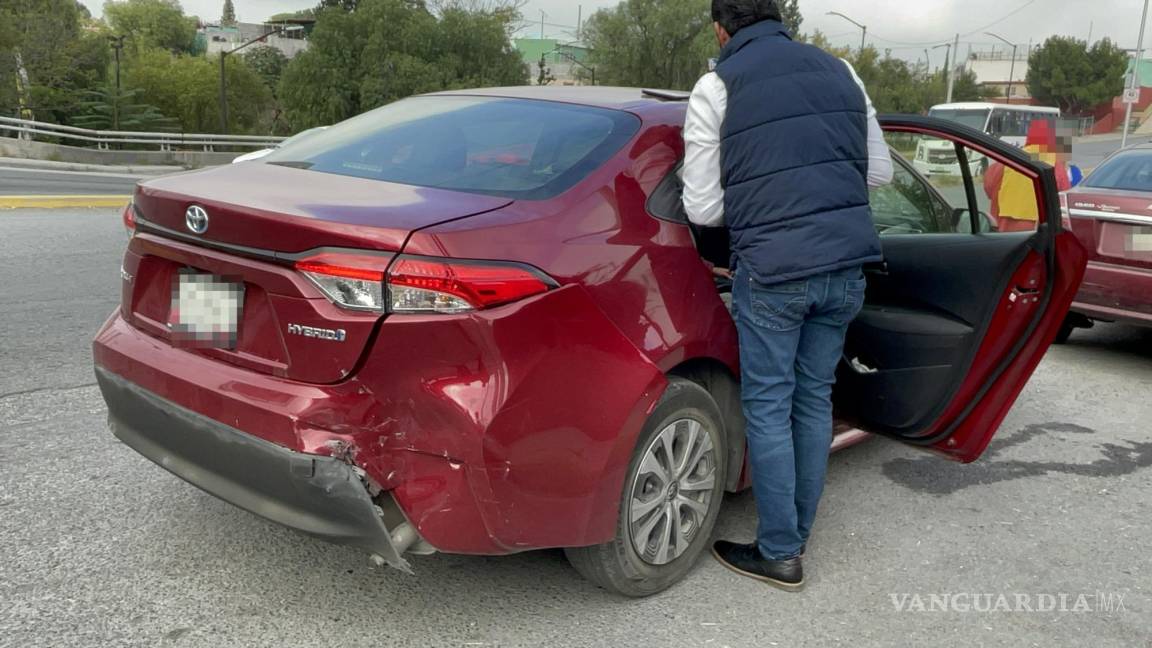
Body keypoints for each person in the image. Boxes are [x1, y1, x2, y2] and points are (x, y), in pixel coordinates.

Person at [682, 0, 893, 591]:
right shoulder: (842, 71)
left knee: (770, 405)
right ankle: (794, 536)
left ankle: (779, 552)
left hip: (774, 272)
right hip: (847, 268)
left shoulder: (716, 86)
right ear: (782, 19)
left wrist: (763, 191)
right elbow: (878, 174)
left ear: (722, 30)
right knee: (813, 398)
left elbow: (701, 207)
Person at [983, 120, 1073, 233]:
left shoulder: (1003, 163)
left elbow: (988, 190)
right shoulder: (1055, 166)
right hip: (1036, 238)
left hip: (1001, 235)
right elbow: (1064, 202)